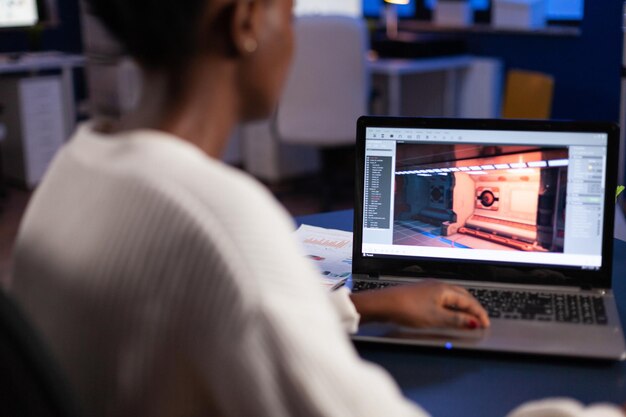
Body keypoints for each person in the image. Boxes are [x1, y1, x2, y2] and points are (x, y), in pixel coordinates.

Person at [9, 0, 623, 416]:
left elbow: (199, 318)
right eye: (290, 14)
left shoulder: (77, 163)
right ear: (247, 21)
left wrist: (357, 305)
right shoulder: (223, 221)